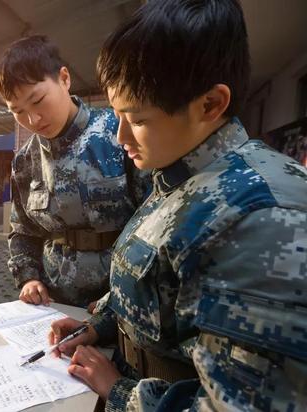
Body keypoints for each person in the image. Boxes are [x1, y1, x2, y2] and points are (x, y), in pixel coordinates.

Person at [49, 0, 307, 410]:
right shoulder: (184, 173)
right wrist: (101, 325)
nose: (120, 136)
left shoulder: (262, 221)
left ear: (210, 104)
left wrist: (120, 392)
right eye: (116, 115)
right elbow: (163, 291)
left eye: (136, 119)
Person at [0, 35, 150, 309]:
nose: (33, 119)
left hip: (123, 299)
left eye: (38, 100)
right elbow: (22, 232)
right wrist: (28, 279)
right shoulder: (25, 161)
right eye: (17, 111)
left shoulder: (120, 132)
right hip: (55, 303)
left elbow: (153, 220)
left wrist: (119, 300)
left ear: (64, 79)